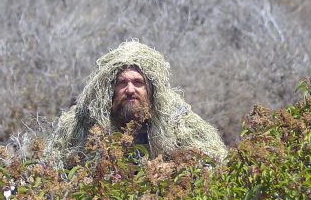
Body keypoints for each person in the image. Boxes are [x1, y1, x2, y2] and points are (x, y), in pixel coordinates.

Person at [44, 40, 227, 167]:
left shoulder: (178, 121)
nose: (130, 90)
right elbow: (54, 167)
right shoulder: (81, 124)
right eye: (122, 83)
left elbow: (214, 163)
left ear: (152, 90)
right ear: (109, 90)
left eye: (138, 83)